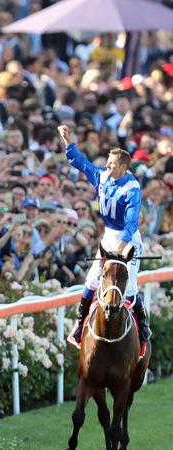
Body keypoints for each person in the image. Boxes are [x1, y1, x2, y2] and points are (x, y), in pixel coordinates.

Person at [58, 125, 151, 347]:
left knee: (128, 288)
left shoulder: (132, 188)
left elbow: (131, 222)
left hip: (128, 240)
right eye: (107, 163)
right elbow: (80, 162)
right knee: (91, 281)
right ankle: (81, 324)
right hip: (108, 235)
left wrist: (121, 248)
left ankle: (142, 324)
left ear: (124, 167)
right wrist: (67, 139)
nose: (107, 167)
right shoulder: (102, 176)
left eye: (111, 164)